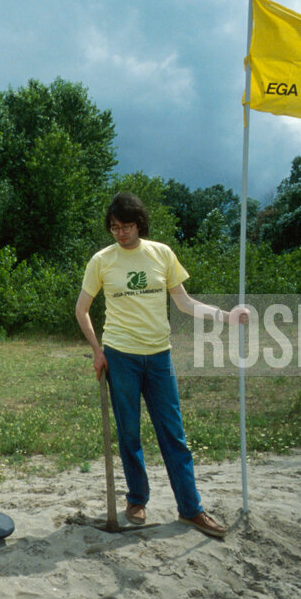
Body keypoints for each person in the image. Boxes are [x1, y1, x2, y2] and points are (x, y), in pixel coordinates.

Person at [74, 192, 249, 538]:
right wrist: (97, 350)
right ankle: (137, 499)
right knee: (129, 433)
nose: (120, 233)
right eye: (114, 228)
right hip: (120, 356)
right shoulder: (101, 261)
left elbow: (184, 302)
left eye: (126, 226)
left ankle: (191, 509)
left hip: (159, 356)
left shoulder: (162, 253)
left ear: (139, 224)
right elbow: (82, 309)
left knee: (173, 433)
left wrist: (226, 316)